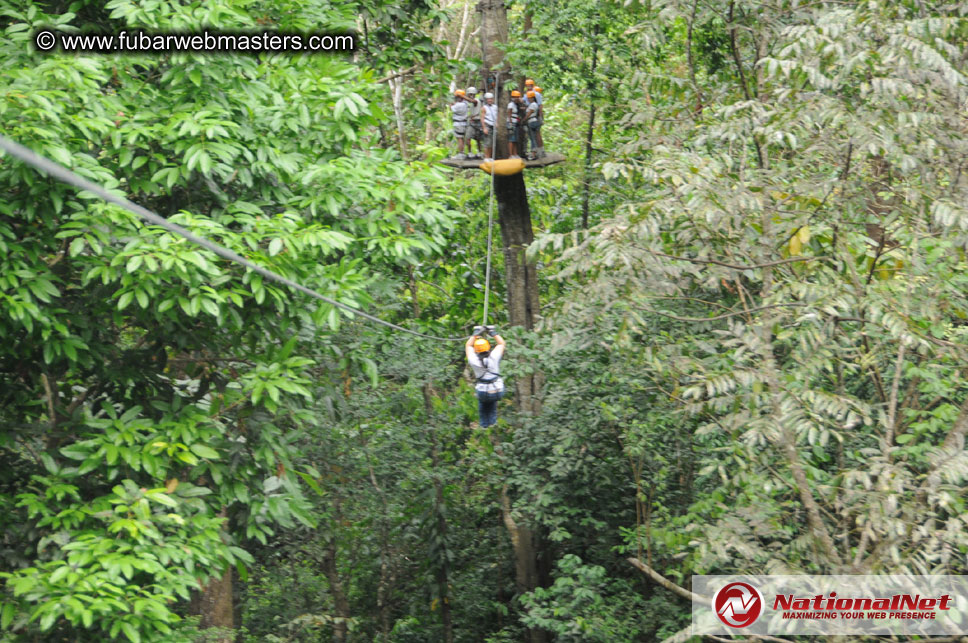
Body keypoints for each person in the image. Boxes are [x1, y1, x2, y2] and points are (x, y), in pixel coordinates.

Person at [466, 328, 506, 428]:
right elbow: (501, 343)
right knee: (492, 404)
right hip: (497, 390)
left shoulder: (473, 360)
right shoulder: (494, 356)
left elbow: (468, 346)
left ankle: (484, 426)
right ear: (488, 347)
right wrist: (493, 332)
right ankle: (493, 425)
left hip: (483, 392)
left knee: (483, 406)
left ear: (476, 350)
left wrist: (475, 334)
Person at [525, 80, 545, 158]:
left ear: (532, 85)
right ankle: (536, 151)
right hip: (530, 115)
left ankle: (541, 151)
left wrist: (540, 116)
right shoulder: (526, 95)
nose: (528, 86)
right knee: (533, 135)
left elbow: (540, 106)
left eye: (530, 85)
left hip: (534, 116)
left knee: (536, 135)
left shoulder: (536, 94)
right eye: (527, 85)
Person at [464, 87, 483, 159]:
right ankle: (470, 153)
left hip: (477, 122)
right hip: (472, 122)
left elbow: (472, 101)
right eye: (469, 94)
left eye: (471, 94)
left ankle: (479, 153)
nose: (470, 96)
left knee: (478, 139)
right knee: (468, 138)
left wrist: (461, 96)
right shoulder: (470, 103)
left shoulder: (476, 101)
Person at [507, 90, 525, 159]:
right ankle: (510, 155)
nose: (517, 98)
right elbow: (509, 114)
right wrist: (510, 124)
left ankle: (515, 154)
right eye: (516, 97)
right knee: (511, 139)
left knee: (515, 139)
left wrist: (522, 102)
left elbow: (523, 108)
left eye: (518, 97)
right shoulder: (511, 104)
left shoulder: (516, 104)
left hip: (516, 122)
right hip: (511, 122)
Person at [451, 89, 469, 159]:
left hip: (458, 123)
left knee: (459, 139)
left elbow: (452, 108)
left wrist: (451, 103)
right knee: (463, 138)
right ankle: (464, 152)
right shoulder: (465, 103)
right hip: (464, 123)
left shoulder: (458, 105)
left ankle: (461, 153)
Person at [524, 91, 542, 160]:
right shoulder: (534, 104)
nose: (528, 99)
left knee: (532, 138)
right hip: (534, 121)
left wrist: (523, 120)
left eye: (529, 98)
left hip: (532, 122)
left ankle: (533, 154)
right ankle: (535, 153)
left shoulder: (533, 105)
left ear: (532, 98)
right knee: (534, 138)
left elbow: (528, 114)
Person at [481, 92, 497, 162]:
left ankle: (490, 157)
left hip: (493, 125)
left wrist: (496, 123)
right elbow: (482, 118)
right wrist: (484, 128)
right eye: (488, 99)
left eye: (491, 99)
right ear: (486, 100)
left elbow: (496, 116)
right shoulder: (484, 108)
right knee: (487, 142)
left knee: (492, 143)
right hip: (487, 125)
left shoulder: (495, 107)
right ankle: (486, 157)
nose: (490, 100)